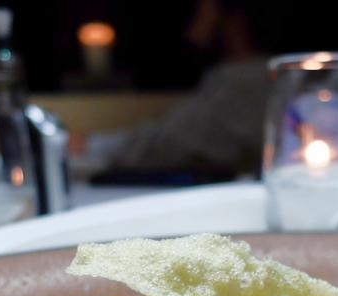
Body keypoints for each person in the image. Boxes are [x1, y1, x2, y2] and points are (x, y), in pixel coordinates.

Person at [87, 0, 270, 180]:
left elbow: (169, 144)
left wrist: (90, 145)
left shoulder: (243, 81)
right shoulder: (251, 75)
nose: (192, 29)